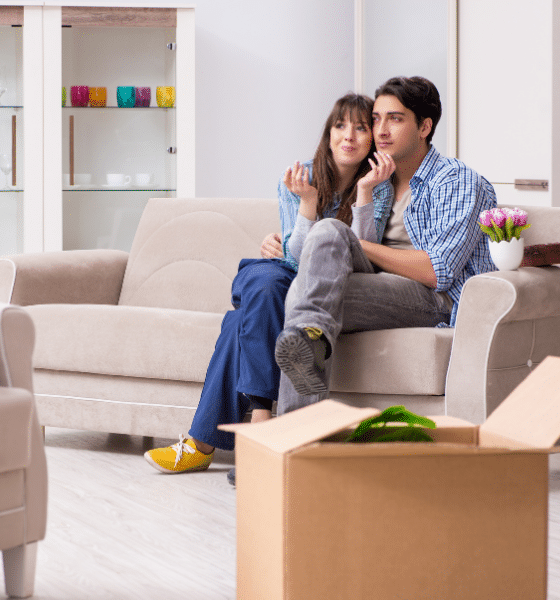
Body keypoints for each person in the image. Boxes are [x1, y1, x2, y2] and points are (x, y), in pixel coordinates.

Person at [144, 92, 394, 474]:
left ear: (372, 139)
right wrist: (308, 202)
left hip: (327, 285)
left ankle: (202, 442)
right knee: (263, 281)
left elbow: (365, 256)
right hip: (287, 275)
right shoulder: (299, 177)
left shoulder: (380, 183)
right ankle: (261, 416)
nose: (350, 136)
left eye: (361, 129)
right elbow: (294, 258)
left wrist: (364, 194)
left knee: (239, 319)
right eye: (340, 126)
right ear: (327, 134)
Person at [274, 76, 498, 413]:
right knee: (308, 297)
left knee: (303, 293)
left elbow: (439, 272)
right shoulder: (378, 178)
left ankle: (295, 434)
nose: (380, 130)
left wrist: (356, 244)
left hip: (434, 299)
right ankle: (310, 352)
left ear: (424, 127)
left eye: (395, 119)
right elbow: (323, 246)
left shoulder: (456, 180)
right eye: (376, 119)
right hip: (378, 286)